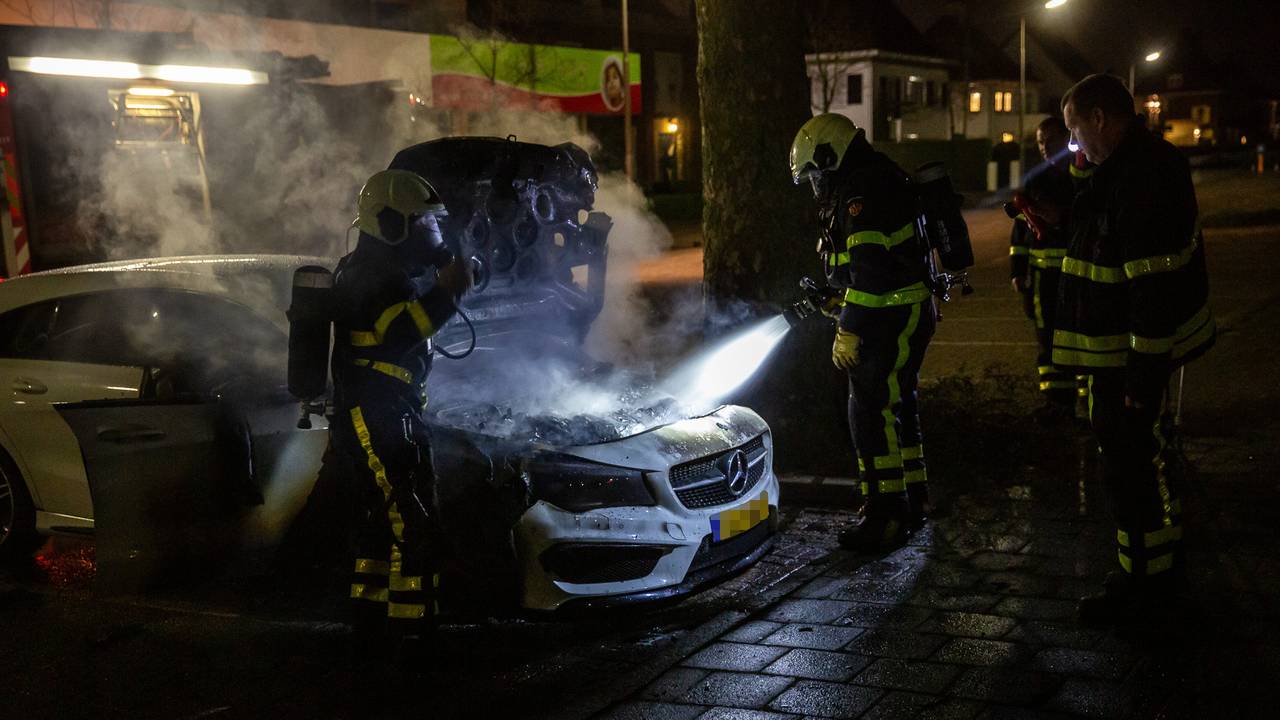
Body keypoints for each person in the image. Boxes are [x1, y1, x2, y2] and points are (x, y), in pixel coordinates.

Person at [1057, 74, 1215, 623]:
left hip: (1130, 361)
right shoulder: (1126, 167)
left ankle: (1152, 588)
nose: (1076, 146)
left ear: (1100, 118)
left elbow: (1153, 287)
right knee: (1126, 468)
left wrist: (1141, 385)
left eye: (1077, 132)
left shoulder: (1143, 176)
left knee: (1134, 469)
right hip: (1119, 358)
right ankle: (1141, 574)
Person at [329, 169, 472, 646]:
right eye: (425, 225)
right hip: (377, 412)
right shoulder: (375, 276)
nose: (434, 236)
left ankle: (370, 622)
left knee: (379, 523)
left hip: (384, 409)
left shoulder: (374, 270)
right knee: (411, 521)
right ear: (390, 223)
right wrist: (449, 289)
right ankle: (413, 632)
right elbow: (401, 333)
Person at [790, 113, 936, 551]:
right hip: (898, 313)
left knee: (870, 410)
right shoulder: (871, 178)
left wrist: (849, 326)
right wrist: (838, 299)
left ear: (830, 156)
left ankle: (885, 513)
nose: (816, 186)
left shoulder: (862, 190)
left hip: (890, 317)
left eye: (816, 174)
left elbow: (871, 274)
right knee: (897, 404)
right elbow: (864, 268)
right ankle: (911, 500)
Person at [1009, 116, 1078, 420]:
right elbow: (1020, 232)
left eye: (1050, 139)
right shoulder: (1034, 180)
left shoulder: (1080, 174)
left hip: (1076, 275)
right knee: (1046, 338)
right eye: (1039, 141)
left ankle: (1088, 406)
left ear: (1067, 138)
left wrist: (1058, 217)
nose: (1045, 147)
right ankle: (1055, 402)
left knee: (1078, 336)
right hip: (1041, 278)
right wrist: (1017, 270)